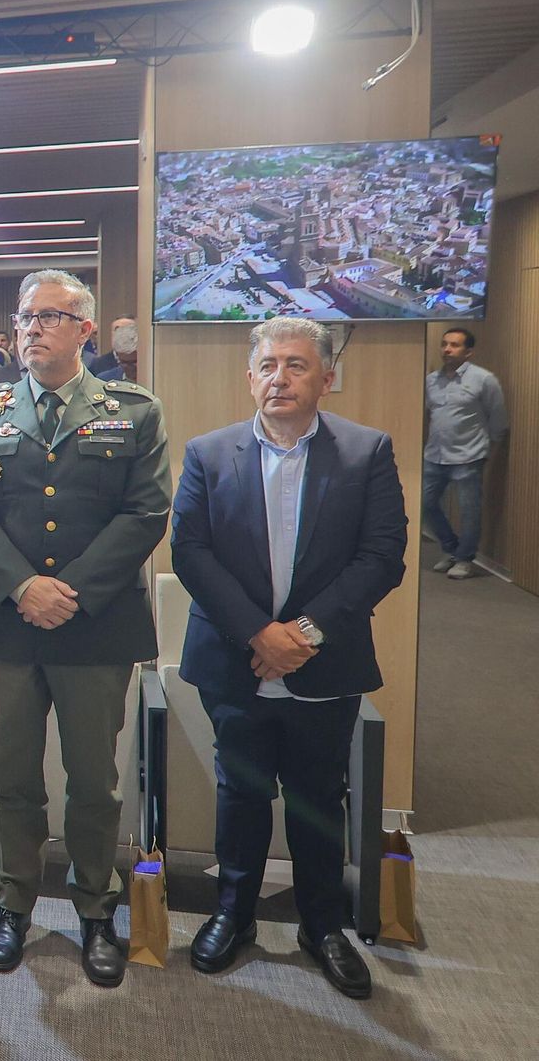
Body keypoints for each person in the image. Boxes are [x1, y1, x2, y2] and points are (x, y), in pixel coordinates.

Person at [172, 317, 406, 1000]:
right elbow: (191, 553)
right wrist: (259, 635)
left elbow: (381, 557)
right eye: (268, 364)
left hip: (324, 661)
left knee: (316, 795)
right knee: (240, 791)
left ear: (326, 378)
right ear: (249, 377)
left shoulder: (366, 452)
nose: (280, 376)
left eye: (297, 365)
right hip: (234, 661)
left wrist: (300, 632)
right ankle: (234, 913)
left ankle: (321, 923)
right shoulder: (208, 453)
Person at [0, 269, 171, 988]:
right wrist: (23, 586)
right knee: (10, 775)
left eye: (50, 316)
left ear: (85, 329)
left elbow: (146, 512)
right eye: (25, 317)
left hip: (93, 625)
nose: (33, 328)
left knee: (93, 781)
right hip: (12, 626)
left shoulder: (132, 409)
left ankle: (96, 907)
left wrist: (66, 591)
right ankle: (12, 901)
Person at [424, 327, 508, 580]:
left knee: (469, 512)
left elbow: (498, 418)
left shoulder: (484, 380)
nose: (447, 349)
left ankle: (464, 559)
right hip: (435, 454)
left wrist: (489, 448)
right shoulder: (430, 380)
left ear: (469, 352)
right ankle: (451, 548)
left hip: (469, 456)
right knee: (425, 505)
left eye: (455, 345)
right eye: (445, 344)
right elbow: (431, 415)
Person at [96, 318, 140, 385]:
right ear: (117, 356)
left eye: (134, 362)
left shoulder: (154, 378)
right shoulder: (104, 380)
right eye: (124, 362)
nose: (130, 368)